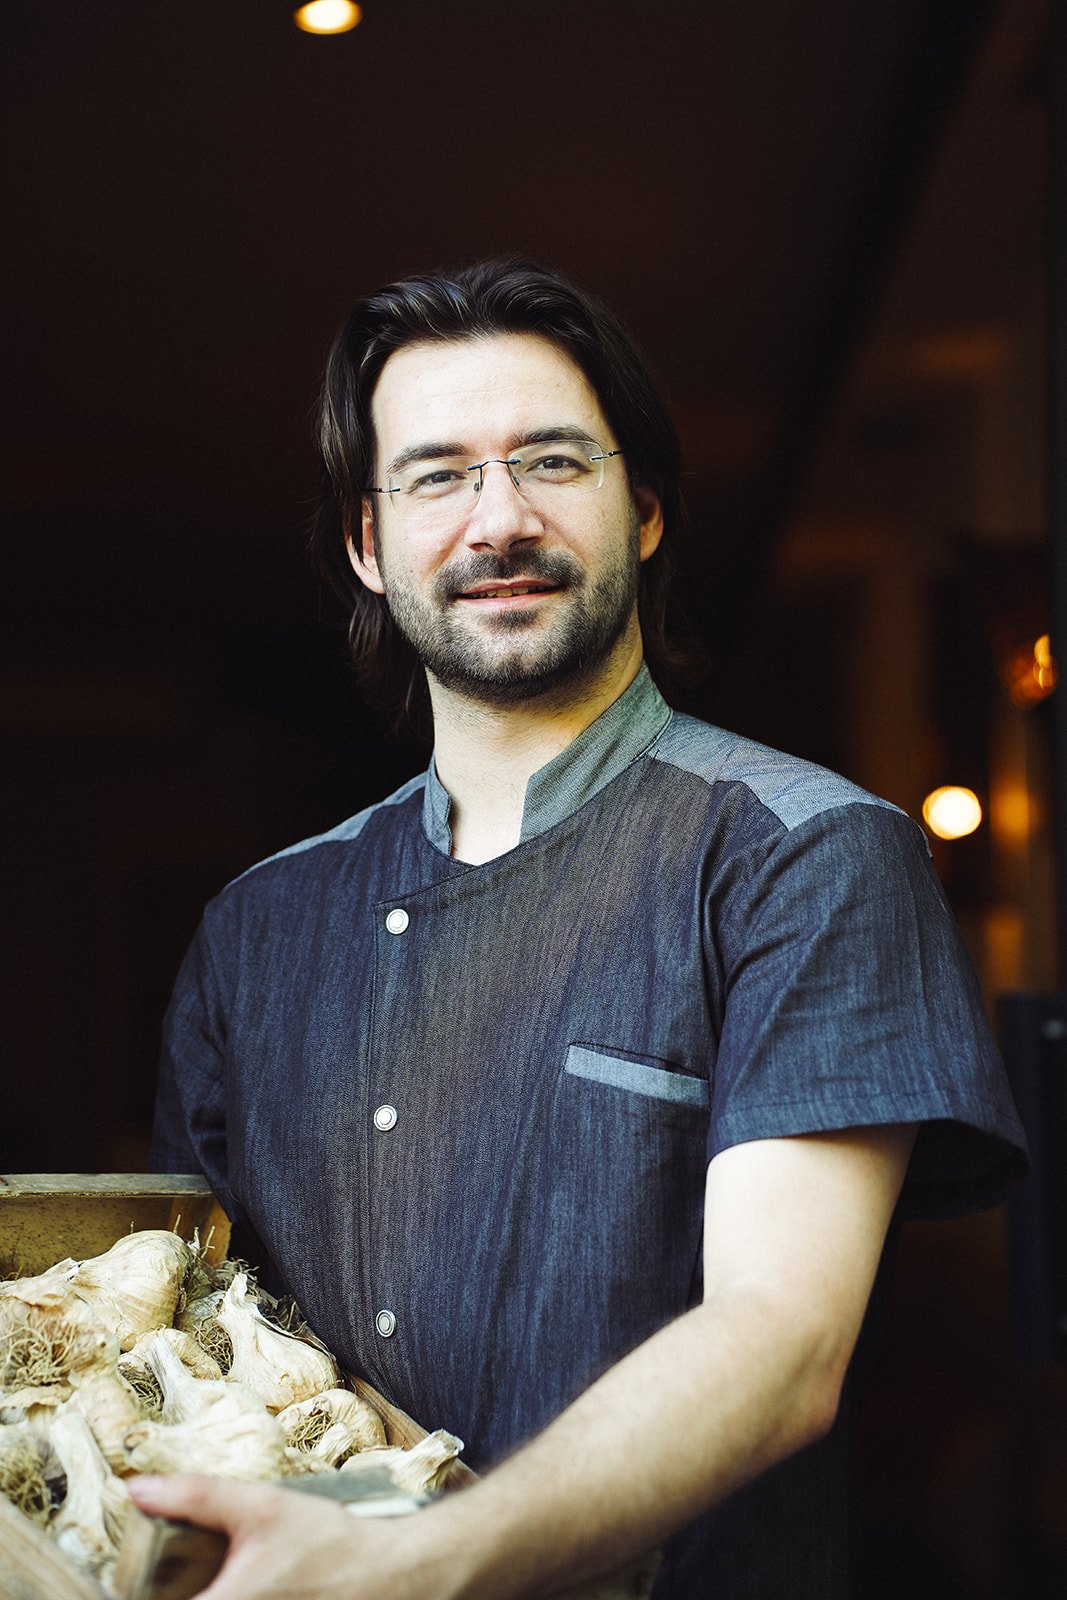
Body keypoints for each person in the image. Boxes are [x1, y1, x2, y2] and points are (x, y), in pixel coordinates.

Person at [138, 258, 1027, 1600]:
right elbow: (191, 1335)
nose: (501, 520)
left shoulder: (806, 854)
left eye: (553, 461)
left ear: (645, 509)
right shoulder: (255, 927)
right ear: (367, 546)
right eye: (436, 475)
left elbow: (781, 1343)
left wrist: (418, 1569)